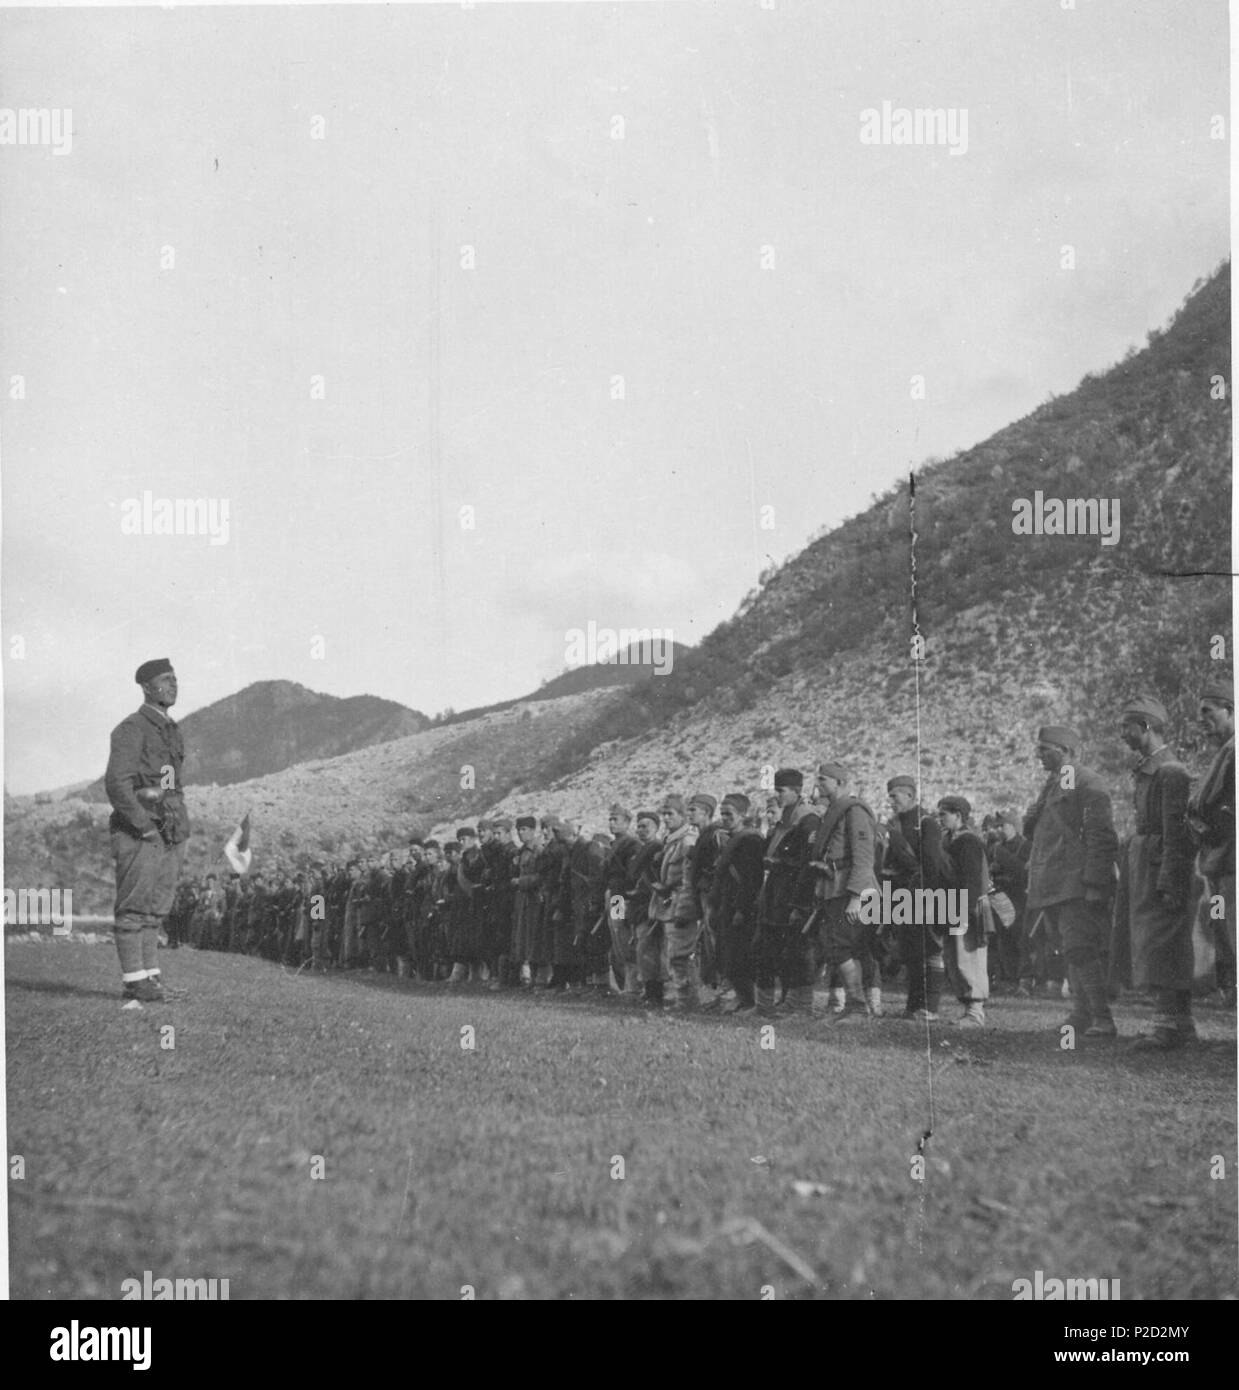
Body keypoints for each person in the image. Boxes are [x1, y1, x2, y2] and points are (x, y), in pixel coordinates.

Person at [1023, 724, 1119, 1040]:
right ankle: (1080, 1015)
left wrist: (1094, 882)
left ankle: (1102, 1019)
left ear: (1064, 751)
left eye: (1044, 749)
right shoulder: (1056, 783)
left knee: (1081, 948)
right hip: (1054, 881)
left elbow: (1100, 836)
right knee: (1069, 949)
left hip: (1075, 882)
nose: (1038, 755)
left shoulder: (1089, 782)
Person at [104, 658, 190, 1007]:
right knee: (134, 907)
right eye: (165, 680)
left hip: (169, 829)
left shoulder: (170, 730)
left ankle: (151, 978)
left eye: (175, 679)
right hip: (141, 831)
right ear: (146, 687)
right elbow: (117, 784)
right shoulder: (132, 728)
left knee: (156, 908)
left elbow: (170, 782)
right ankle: (134, 982)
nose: (173, 685)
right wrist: (144, 827)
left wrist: (176, 823)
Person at [1120, 696, 1197, 1050]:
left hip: (1160, 863)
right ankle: (1180, 1024)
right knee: (1157, 941)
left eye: (1128, 727)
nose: (1123, 734)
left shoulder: (1170, 771)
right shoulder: (1151, 768)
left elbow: (1175, 832)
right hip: (1147, 861)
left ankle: (1167, 1025)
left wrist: (1168, 877)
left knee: (1163, 941)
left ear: (1146, 727)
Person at [804, 762, 880, 1023]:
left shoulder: (854, 810)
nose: (819, 784)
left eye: (823, 780)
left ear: (838, 782)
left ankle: (858, 1008)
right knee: (836, 946)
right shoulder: (833, 812)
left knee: (843, 947)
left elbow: (863, 857)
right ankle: (854, 1006)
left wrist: (857, 897)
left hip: (852, 891)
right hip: (834, 888)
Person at [882, 775, 953, 1020]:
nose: (891, 801)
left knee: (931, 950)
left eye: (895, 796)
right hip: (903, 894)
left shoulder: (927, 824)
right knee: (910, 951)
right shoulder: (896, 824)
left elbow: (931, 864)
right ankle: (912, 1006)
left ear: (910, 795)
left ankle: (930, 1008)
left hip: (927, 893)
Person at [754, 769, 820, 1017]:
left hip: (794, 895)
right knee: (768, 949)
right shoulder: (783, 822)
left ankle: (801, 1005)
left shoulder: (808, 820)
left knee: (797, 951)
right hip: (775, 895)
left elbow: (808, 863)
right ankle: (765, 1005)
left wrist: (800, 903)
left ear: (797, 792)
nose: (777, 795)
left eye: (781, 791)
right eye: (776, 790)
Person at [1188, 678, 1235, 1007]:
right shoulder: (1225, 752)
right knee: (1224, 932)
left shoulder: (1234, 751)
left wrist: (1203, 823)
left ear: (1230, 710)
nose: (1202, 720)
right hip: (1218, 861)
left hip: (1231, 860)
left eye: (1209, 712)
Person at [936, 796, 991, 1028]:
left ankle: (975, 1013)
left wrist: (963, 910)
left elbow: (972, 880)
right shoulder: (949, 839)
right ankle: (969, 1010)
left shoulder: (968, 842)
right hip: (953, 904)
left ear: (958, 815)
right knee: (955, 957)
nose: (940, 819)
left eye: (943, 814)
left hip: (966, 906)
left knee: (968, 957)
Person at [709, 794, 765, 1014]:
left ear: (742, 815)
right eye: (722, 814)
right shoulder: (732, 839)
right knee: (728, 955)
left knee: (739, 956)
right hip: (727, 904)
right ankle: (740, 999)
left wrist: (741, 908)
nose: (725, 818)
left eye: (729, 814)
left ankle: (749, 1001)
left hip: (741, 908)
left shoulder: (750, 840)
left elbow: (751, 878)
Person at [652, 794, 700, 1008]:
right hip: (669, 902)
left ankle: (686, 999)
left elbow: (688, 878)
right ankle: (681, 997)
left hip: (680, 902)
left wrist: (684, 907)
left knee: (680, 953)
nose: (665, 818)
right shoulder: (671, 840)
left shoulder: (687, 840)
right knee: (672, 952)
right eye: (663, 814)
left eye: (670, 814)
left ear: (682, 816)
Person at [989, 811, 1031, 992]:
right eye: (997, 826)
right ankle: (1008, 978)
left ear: (1014, 826)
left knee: (1020, 938)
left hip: (1019, 897)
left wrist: (1003, 858)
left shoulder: (1027, 846)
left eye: (1003, 826)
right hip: (1000, 896)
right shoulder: (996, 848)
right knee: (1003, 938)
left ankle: (1025, 979)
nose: (999, 830)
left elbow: (1024, 872)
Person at [630, 811, 668, 1008]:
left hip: (645, 903)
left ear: (656, 828)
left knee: (647, 948)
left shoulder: (654, 848)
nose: (641, 830)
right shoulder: (638, 849)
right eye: (639, 826)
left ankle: (648, 991)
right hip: (625, 901)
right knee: (633, 945)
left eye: (646, 826)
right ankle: (641, 988)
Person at [605, 804, 641, 995]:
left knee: (623, 936)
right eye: (610, 819)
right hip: (614, 895)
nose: (611, 823)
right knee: (616, 938)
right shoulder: (614, 844)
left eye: (615, 820)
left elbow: (631, 874)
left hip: (621, 897)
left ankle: (632, 985)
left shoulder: (631, 844)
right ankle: (626, 984)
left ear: (627, 823)